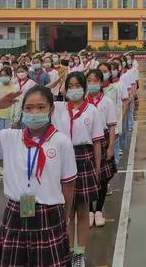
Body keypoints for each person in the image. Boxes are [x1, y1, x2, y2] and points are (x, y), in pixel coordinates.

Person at [0, 86, 77, 267]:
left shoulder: (61, 141)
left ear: (51, 110)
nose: (35, 112)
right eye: (29, 108)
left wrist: (64, 217)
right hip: (16, 213)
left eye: (41, 107)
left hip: (49, 214)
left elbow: (69, 185)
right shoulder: (10, 137)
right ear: (22, 111)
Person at [52, 72, 103, 267]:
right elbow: (38, 93)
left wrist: (96, 169)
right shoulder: (57, 109)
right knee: (66, 211)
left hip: (83, 159)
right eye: (70, 86)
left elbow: (97, 142)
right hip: (62, 160)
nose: (74, 89)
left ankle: (79, 253)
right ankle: (68, 251)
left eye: (77, 85)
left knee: (82, 211)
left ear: (83, 88)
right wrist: (59, 83)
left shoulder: (92, 110)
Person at [86, 69, 117, 227]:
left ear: (101, 82)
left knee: (102, 178)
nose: (92, 84)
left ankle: (99, 210)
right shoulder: (83, 101)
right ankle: (90, 211)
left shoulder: (107, 102)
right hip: (87, 140)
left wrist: (111, 146)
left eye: (95, 81)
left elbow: (111, 126)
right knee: (88, 177)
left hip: (103, 139)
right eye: (89, 81)